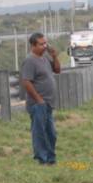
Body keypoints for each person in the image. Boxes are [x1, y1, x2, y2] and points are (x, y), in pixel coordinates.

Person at [20, 32, 61, 165]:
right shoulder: (30, 60)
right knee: (40, 133)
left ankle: (51, 158)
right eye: (41, 44)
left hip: (48, 102)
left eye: (45, 43)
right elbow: (26, 82)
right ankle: (42, 159)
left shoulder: (44, 59)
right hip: (38, 104)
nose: (45, 46)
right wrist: (38, 99)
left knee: (51, 133)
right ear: (33, 45)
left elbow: (57, 70)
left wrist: (54, 56)